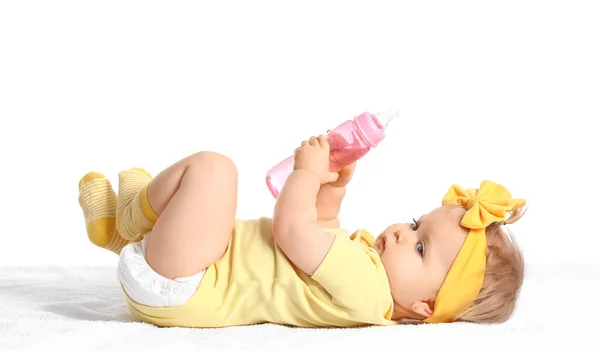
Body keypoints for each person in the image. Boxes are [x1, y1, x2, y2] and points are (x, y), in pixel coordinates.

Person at [77, 134, 527, 328]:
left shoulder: (368, 287)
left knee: (214, 170)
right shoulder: (367, 270)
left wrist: (307, 174)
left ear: (424, 305)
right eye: (414, 225)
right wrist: (331, 191)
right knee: (207, 187)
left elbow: (293, 231)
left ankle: (131, 222)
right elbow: (320, 232)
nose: (401, 235)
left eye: (421, 247)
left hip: (191, 285)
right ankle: (127, 233)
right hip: (197, 266)